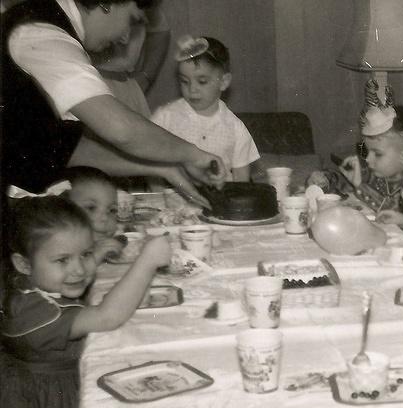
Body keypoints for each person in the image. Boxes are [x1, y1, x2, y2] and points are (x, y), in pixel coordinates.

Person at [1, 0, 226, 208]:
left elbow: (63, 150)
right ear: (107, 3)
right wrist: (193, 154)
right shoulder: (42, 35)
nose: (125, 38)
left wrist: (162, 167)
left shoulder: (49, 27)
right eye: (131, 20)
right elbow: (121, 129)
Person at [0, 195, 171, 408]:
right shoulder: (36, 314)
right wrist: (147, 262)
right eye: (63, 260)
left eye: (85, 254)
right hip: (48, 401)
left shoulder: (31, 281)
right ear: (23, 264)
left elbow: (69, 275)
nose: (79, 270)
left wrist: (96, 256)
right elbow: (107, 317)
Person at [151, 34, 260, 182]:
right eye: (184, 81)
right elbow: (150, 163)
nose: (192, 89)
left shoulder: (235, 128)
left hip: (220, 200)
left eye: (202, 82)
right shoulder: (165, 117)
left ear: (224, 82)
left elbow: (241, 178)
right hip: (175, 199)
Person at [307, 104, 403, 213]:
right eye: (368, 151)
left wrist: (360, 186)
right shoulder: (376, 175)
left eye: (377, 154)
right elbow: (343, 180)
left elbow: (394, 212)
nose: (368, 159)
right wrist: (325, 179)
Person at [63, 166, 126, 264]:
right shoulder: (55, 245)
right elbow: (67, 275)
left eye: (112, 210)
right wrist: (95, 257)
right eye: (91, 208)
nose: (105, 218)